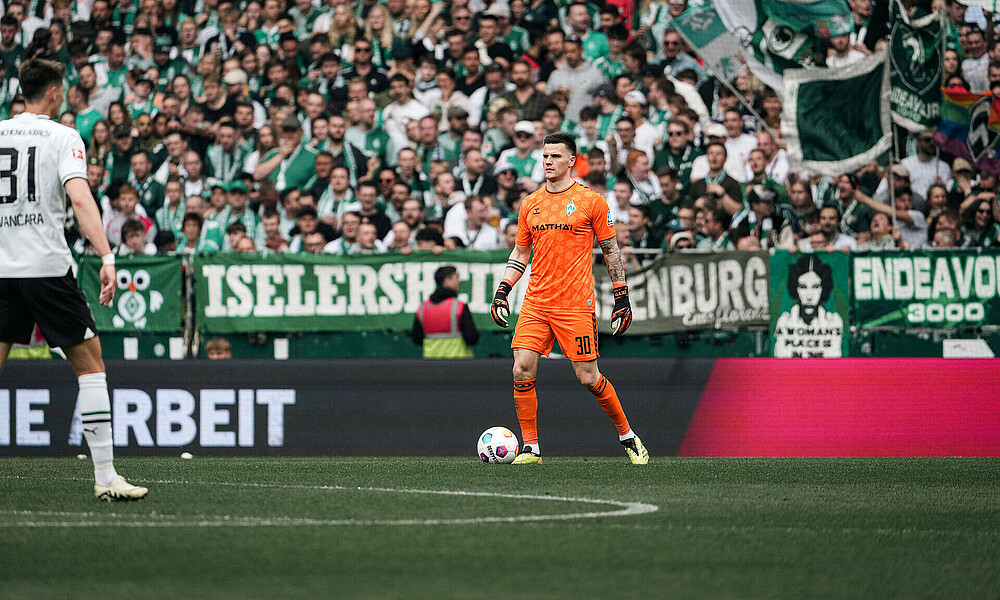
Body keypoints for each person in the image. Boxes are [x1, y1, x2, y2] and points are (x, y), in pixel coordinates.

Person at [0, 59, 147, 501]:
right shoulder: (63, 136)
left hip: (2, 267)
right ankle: (105, 476)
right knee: (91, 366)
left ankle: (107, 477)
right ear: (56, 92)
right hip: (44, 267)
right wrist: (107, 255)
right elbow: (80, 199)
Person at [490, 132, 648, 465]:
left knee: (588, 377)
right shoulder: (530, 203)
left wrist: (622, 295)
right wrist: (504, 288)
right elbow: (521, 252)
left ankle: (628, 436)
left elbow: (611, 250)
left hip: (575, 303)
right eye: (545, 156)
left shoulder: (592, 201)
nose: (548, 162)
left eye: (555, 156)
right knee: (521, 368)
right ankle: (531, 448)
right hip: (536, 302)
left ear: (572, 161)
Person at [411, 265, 480, 358]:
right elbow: (472, 338)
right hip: (459, 364)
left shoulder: (423, 308)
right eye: (456, 277)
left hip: (431, 364)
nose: (459, 280)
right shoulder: (459, 307)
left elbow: (417, 338)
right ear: (447, 281)